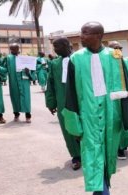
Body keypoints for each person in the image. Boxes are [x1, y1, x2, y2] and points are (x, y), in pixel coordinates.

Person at [62, 22, 126, 195]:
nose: (80, 35)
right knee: (94, 160)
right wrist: (75, 125)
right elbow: (70, 94)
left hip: (110, 117)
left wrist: (126, 118)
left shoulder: (114, 57)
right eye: (81, 31)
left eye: (85, 32)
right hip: (88, 118)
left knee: (105, 160)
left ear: (99, 35)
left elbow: (126, 87)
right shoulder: (75, 59)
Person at [45, 37, 81, 170]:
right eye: (54, 47)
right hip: (62, 101)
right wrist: (51, 102)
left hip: (80, 101)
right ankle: (76, 156)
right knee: (68, 129)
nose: (55, 49)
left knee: (83, 126)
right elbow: (51, 83)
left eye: (57, 46)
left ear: (67, 45)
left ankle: (88, 154)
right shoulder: (54, 64)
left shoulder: (78, 59)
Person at [108, 41, 128, 160]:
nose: (118, 50)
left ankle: (123, 145)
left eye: (120, 48)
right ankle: (118, 148)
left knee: (127, 120)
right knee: (115, 123)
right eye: (115, 48)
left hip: (127, 97)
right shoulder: (106, 63)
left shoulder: (127, 62)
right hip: (112, 99)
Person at [5, 43, 34, 123]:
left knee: (26, 98)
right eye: (11, 49)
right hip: (13, 81)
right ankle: (16, 115)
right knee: (15, 97)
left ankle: (28, 116)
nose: (12, 51)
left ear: (18, 49)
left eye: (14, 49)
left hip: (24, 81)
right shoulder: (8, 58)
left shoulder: (25, 57)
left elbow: (33, 70)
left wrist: (29, 73)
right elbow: (5, 69)